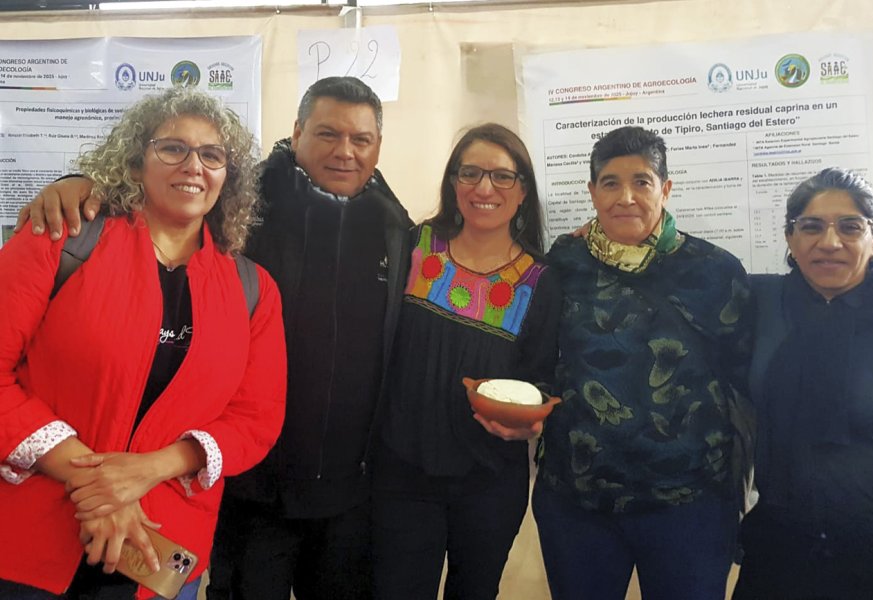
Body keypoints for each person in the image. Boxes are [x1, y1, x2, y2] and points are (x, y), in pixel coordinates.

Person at [18, 76, 413, 600]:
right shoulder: (245, 203)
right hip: (239, 501)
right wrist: (75, 182)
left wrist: (143, 473)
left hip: (329, 496)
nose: (345, 151)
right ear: (296, 134)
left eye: (361, 139)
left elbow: (260, 411)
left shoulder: (392, 226)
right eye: (327, 133)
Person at [0, 87, 287, 599]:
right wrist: (103, 485)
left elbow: (255, 419)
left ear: (228, 176)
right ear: (135, 165)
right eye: (172, 148)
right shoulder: (60, 239)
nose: (193, 165)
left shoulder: (253, 290)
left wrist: (151, 469)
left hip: (160, 548)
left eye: (212, 155)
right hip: (31, 540)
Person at [533, 126, 752, 600]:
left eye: (642, 181)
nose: (625, 197)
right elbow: (537, 356)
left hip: (690, 504)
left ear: (666, 188)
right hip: (577, 503)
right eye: (610, 182)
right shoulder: (561, 264)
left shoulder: (715, 271)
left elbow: (745, 374)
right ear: (592, 192)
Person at [371, 123, 561, 600]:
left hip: (489, 481)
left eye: (501, 177)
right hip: (400, 471)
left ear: (522, 192)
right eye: (470, 172)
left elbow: (539, 377)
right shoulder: (414, 247)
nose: (483, 188)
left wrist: (530, 425)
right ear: (453, 182)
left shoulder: (540, 281)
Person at [732, 168, 873, 600]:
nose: (829, 242)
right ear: (790, 239)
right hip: (780, 547)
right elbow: (682, 281)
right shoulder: (760, 304)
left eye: (850, 226)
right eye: (811, 227)